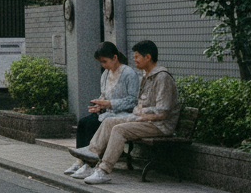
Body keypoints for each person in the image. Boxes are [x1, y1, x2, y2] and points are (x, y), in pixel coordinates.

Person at [68, 40, 179, 185]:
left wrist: (140, 113)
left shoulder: (162, 77)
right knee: (108, 122)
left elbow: (162, 111)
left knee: (119, 130)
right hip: (145, 119)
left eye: (137, 56)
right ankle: (90, 156)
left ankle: (103, 170)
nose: (134, 59)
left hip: (158, 124)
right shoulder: (146, 76)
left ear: (148, 57)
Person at [64, 42, 140, 176]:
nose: (103, 65)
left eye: (105, 61)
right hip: (107, 113)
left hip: (122, 114)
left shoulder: (128, 74)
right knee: (83, 122)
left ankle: (90, 163)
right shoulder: (105, 74)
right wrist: (98, 106)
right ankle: (81, 161)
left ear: (115, 58)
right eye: (101, 62)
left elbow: (133, 100)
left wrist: (109, 104)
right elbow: (104, 96)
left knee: (93, 124)